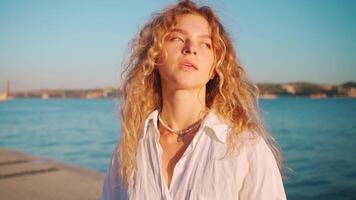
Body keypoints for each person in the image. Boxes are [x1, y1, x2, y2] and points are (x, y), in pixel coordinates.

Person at [100, 1, 286, 199]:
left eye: (205, 44)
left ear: (216, 67)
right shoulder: (130, 149)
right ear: (154, 55)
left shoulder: (245, 146)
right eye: (177, 38)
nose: (190, 48)